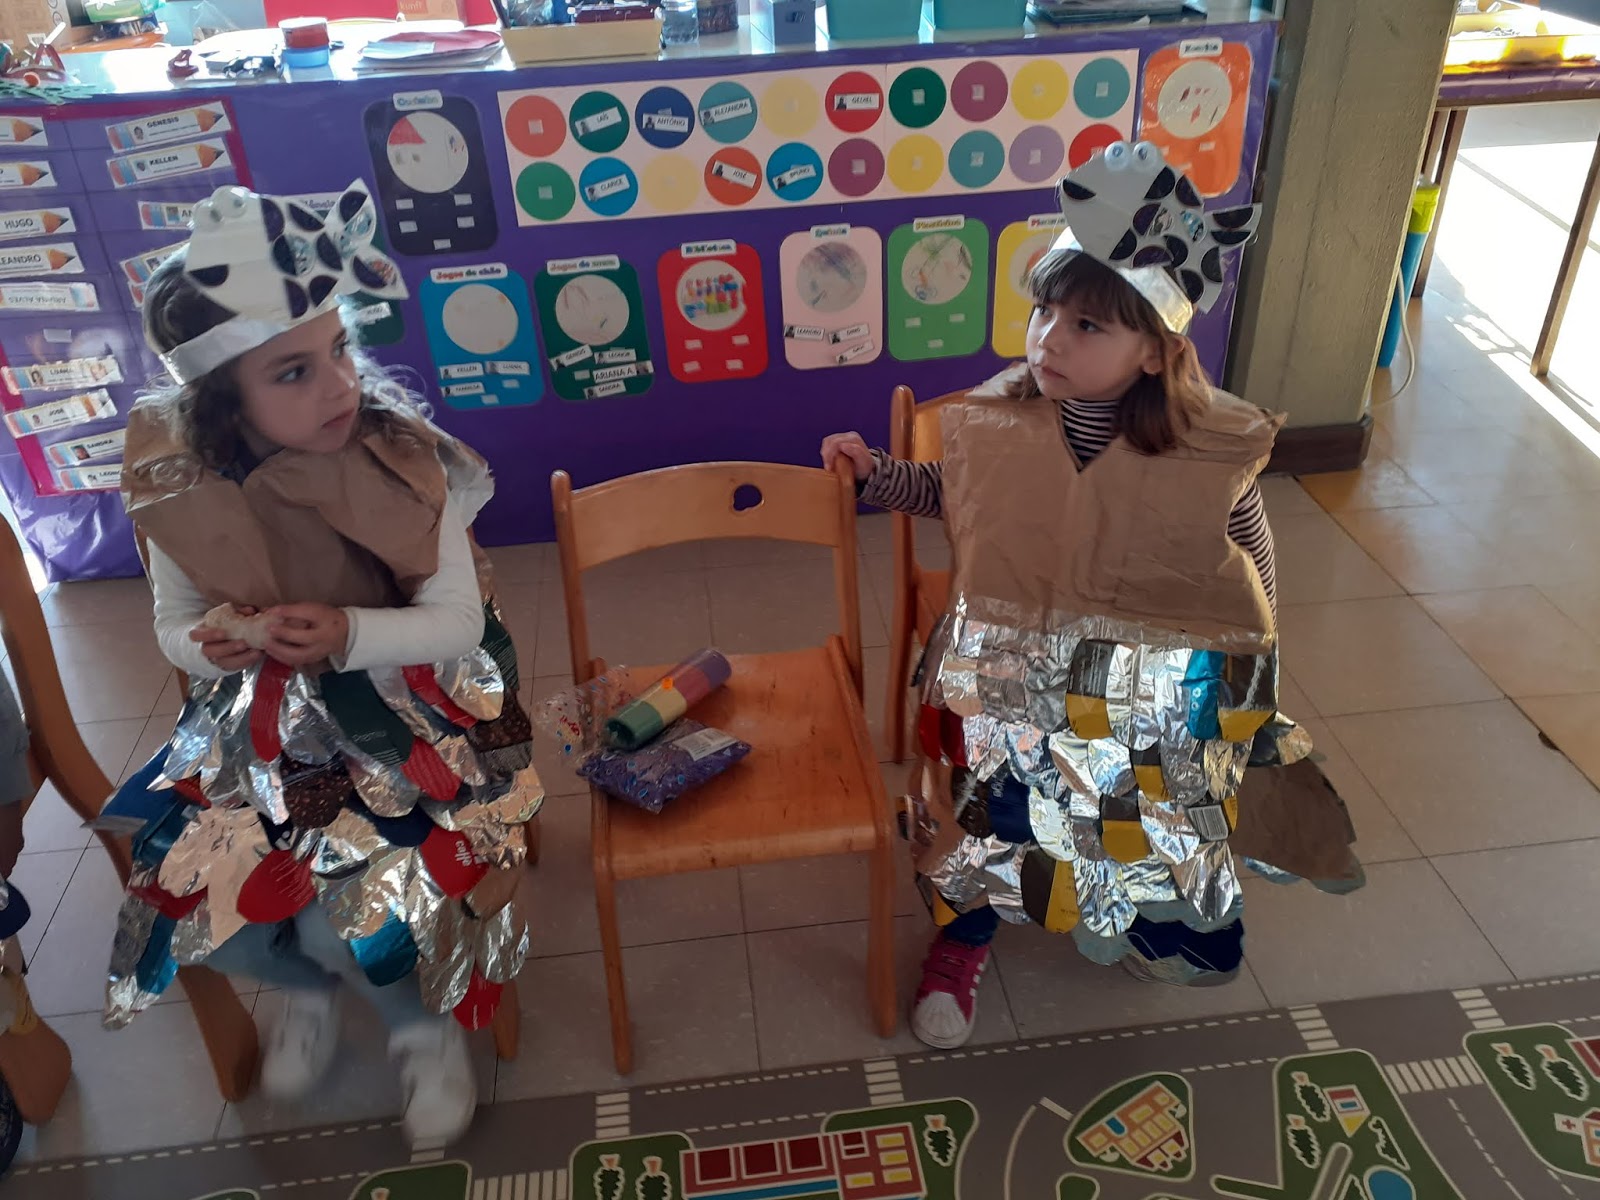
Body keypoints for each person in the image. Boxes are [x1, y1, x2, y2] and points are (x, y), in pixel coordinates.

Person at [823, 142, 1361, 1051]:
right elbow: (955, 493)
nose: (1049, 340)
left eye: (1086, 326)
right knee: (988, 811)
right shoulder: (1002, 415)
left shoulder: (1207, 450)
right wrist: (878, 474)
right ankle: (964, 938)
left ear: (1155, 351)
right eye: (1044, 312)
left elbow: (1250, 570)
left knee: (1141, 813)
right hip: (1006, 672)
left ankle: (1154, 925)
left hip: (1143, 689)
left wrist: (1251, 688)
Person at [101, 181, 541, 1148]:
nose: (341, 384)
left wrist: (348, 632)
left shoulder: (401, 463)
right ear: (221, 398)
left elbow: (457, 622)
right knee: (201, 898)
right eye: (294, 371)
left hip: (411, 724)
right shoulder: (183, 486)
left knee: (354, 900)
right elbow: (171, 622)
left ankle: (417, 1029)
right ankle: (308, 986)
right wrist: (206, 642)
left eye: (340, 349)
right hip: (264, 730)